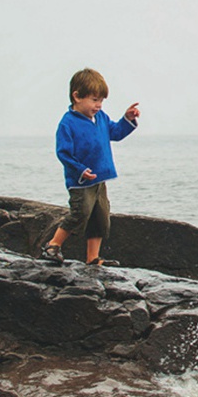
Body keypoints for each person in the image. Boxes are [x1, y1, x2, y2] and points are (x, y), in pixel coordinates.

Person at [41, 67, 140, 267]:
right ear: (77, 96)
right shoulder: (68, 123)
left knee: (100, 218)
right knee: (80, 213)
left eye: (101, 100)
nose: (99, 105)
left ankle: (93, 258)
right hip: (80, 181)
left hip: (99, 178)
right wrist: (79, 170)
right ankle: (52, 246)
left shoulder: (101, 117)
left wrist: (127, 119)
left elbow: (116, 132)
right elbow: (63, 153)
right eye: (94, 100)